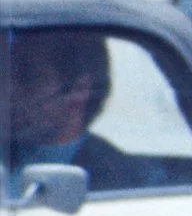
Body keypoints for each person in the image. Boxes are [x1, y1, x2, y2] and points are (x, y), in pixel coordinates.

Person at [3, 28, 160, 194]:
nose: (8, 91)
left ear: (79, 90)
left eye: (28, 77)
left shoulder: (117, 178)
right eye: (4, 75)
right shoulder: (9, 153)